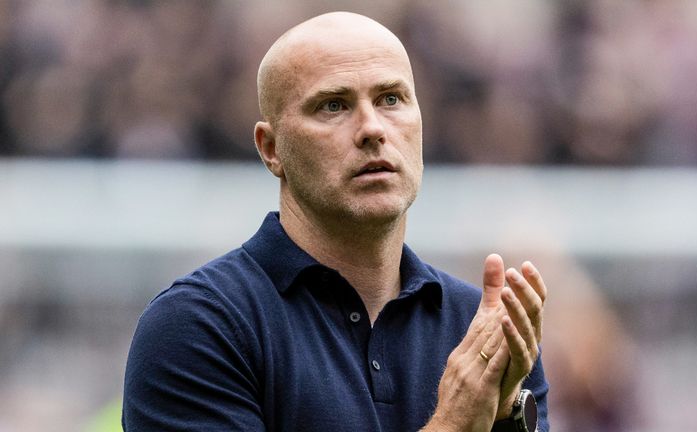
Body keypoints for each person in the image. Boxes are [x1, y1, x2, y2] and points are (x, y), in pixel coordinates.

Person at [122, 11, 549, 432]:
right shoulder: (199, 326)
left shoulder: (481, 328)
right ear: (271, 148)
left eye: (391, 99)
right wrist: (455, 422)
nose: (372, 129)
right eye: (333, 105)